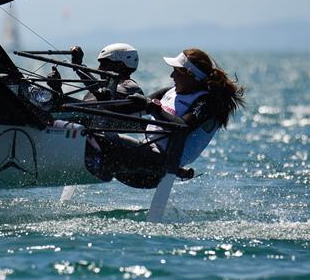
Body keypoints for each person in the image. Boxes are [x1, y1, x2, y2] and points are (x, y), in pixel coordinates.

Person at [88, 48, 245, 188]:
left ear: (189, 75)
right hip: (140, 160)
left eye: (176, 71)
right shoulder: (169, 91)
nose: (171, 75)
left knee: (94, 140)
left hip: (154, 169)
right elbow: (125, 109)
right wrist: (100, 93)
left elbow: (183, 126)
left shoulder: (206, 102)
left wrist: (154, 109)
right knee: (92, 136)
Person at [70, 43, 143, 101]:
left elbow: (105, 95)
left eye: (104, 64)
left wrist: (78, 67)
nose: (99, 69)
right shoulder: (99, 88)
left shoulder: (131, 87)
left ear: (119, 66)